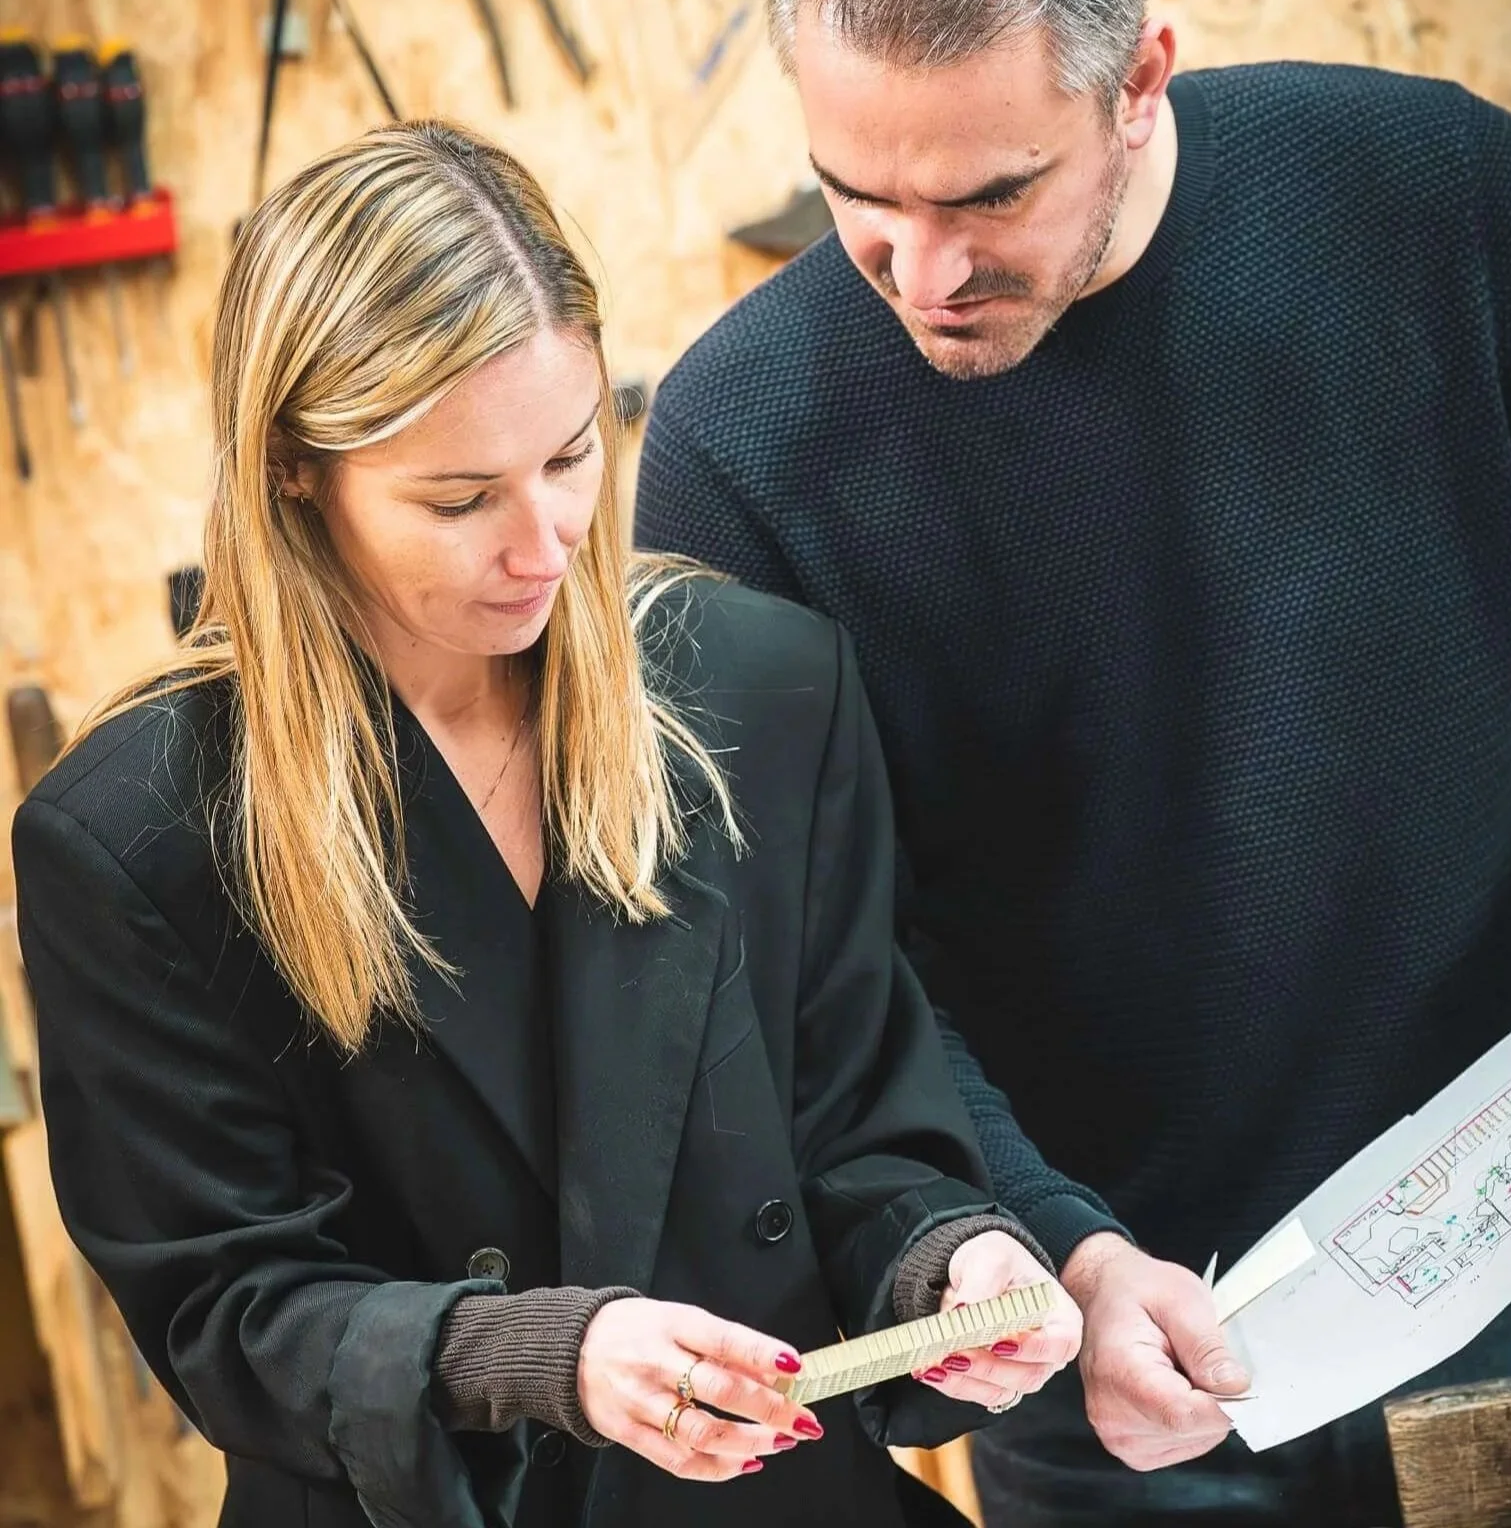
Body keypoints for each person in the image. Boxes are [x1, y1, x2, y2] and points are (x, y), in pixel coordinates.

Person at [632, 0, 1511, 1522]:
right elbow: (813, 968)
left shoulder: (1430, 196)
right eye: (858, 196)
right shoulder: (737, 446)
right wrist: (1049, 1245)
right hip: (1111, 1350)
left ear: (1140, 77)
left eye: (992, 194)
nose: (921, 273)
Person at [11, 121, 1082, 1528]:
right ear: (291, 470)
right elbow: (232, 1312)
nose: (546, 542)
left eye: (574, 455)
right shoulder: (137, 836)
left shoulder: (763, 689)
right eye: (457, 499)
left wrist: (946, 1268)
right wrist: (546, 1359)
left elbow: (860, 1133)